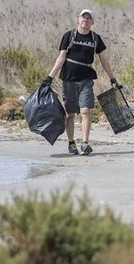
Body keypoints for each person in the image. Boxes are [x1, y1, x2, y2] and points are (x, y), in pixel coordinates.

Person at [43, 9, 120, 156]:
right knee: (70, 114)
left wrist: (112, 78)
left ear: (92, 22)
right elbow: (61, 57)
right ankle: (71, 143)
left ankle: (85, 143)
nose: (85, 20)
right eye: (83, 18)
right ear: (78, 20)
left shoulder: (95, 38)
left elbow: (103, 59)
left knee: (85, 111)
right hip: (68, 79)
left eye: (88, 18)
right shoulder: (69, 36)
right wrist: (50, 77)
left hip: (86, 79)